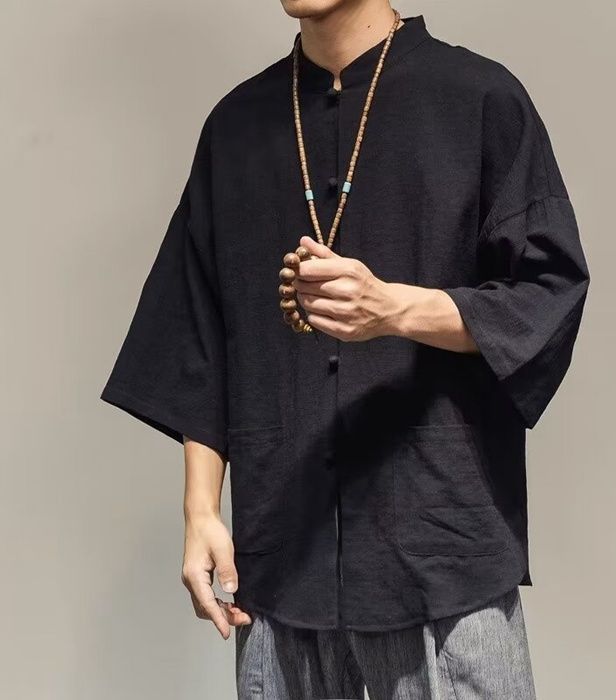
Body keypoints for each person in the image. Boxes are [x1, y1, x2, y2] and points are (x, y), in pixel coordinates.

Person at [100, 1, 590, 697]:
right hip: (281, 563)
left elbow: (546, 293)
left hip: (442, 558)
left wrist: (396, 309)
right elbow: (197, 334)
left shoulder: (479, 99)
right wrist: (200, 511)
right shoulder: (236, 127)